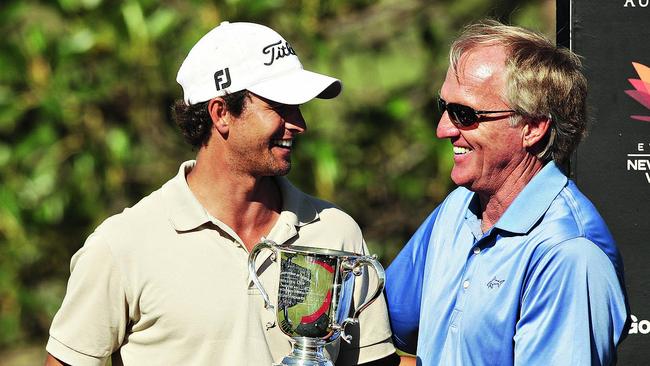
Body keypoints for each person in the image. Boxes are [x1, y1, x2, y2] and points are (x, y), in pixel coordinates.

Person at [45, 21, 399, 366]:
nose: (299, 124)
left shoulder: (335, 232)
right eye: (280, 106)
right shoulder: (122, 245)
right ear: (221, 113)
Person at [385, 19, 629, 365]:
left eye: (464, 114)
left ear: (532, 127)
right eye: (444, 108)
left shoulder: (570, 254)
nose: (443, 130)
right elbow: (382, 321)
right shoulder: (459, 207)